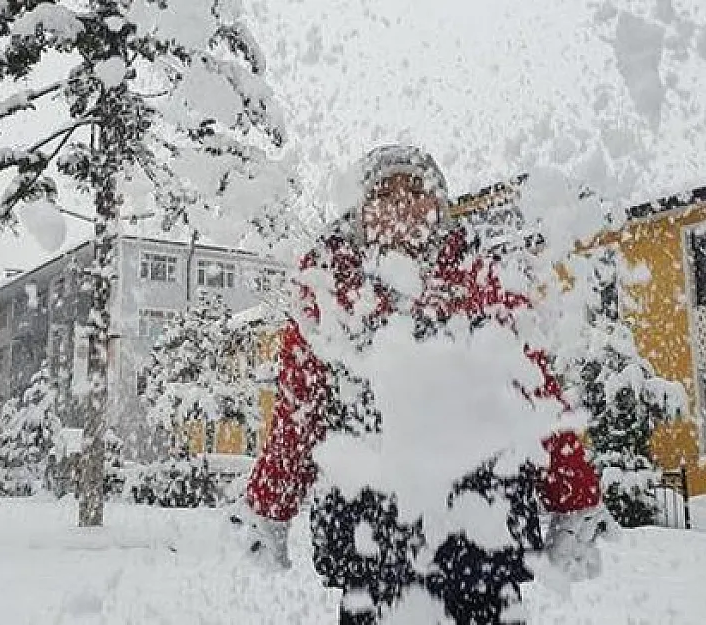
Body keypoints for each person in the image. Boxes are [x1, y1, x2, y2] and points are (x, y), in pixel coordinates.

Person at [230, 145, 614, 624]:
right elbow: (298, 412)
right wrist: (270, 507)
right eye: (384, 192)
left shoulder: (481, 281)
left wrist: (574, 498)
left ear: (439, 206)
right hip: (369, 540)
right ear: (361, 210)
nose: (401, 204)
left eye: (415, 190)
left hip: (481, 537)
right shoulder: (331, 292)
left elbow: (535, 395)